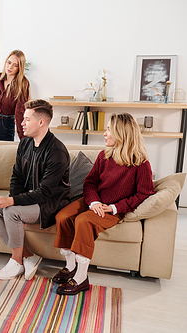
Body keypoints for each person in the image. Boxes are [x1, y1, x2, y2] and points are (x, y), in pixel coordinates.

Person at [53, 113, 154, 295]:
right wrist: (93, 202)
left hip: (113, 210)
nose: (104, 134)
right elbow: (90, 183)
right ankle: (70, 267)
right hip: (94, 202)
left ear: (121, 134)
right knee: (63, 216)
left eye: (108, 130)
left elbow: (144, 193)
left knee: (83, 221)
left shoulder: (140, 163)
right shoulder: (103, 155)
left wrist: (115, 208)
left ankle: (81, 278)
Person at [0, 99, 70, 280]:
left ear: (41, 122)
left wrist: (13, 202)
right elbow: (17, 178)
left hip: (49, 204)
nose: (21, 123)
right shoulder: (24, 144)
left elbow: (46, 192)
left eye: (27, 119)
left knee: (12, 212)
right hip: (28, 199)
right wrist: (12, 200)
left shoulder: (57, 152)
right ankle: (28, 255)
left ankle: (16, 262)